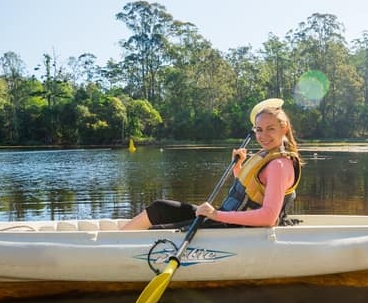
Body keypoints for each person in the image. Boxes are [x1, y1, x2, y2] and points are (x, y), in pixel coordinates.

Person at [121, 98, 302, 230]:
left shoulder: (279, 164)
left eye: (271, 129)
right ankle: (117, 240)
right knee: (161, 208)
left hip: (237, 228)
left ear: (284, 128)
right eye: (259, 130)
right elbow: (251, 193)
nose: (263, 136)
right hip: (227, 219)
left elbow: (269, 217)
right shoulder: (266, 155)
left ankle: (118, 244)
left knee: (159, 228)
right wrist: (238, 168)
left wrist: (215, 214)